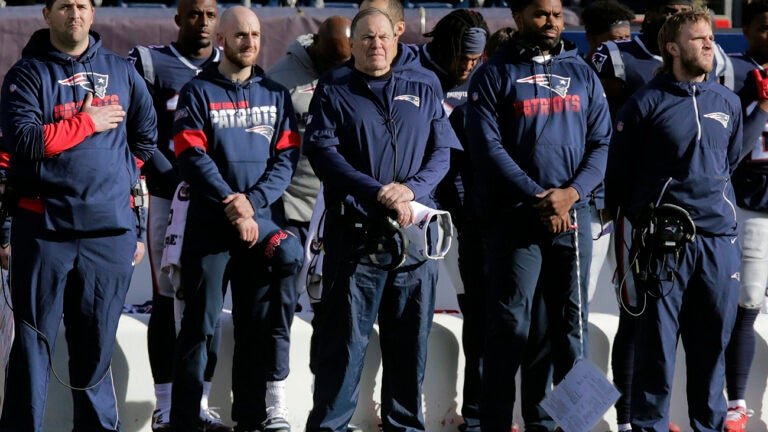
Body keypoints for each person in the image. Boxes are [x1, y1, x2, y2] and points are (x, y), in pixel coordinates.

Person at [0, 0, 157, 428]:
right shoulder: (27, 74)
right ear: (47, 14)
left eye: (83, 5)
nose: (75, 13)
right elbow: (25, 142)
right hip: (44, 231)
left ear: (93, 12)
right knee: (33, 347)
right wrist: (86, 124)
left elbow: (145, 140)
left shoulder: (122, 71)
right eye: (65, 5)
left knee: (96, 349)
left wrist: (116, 186)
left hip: (108, 234)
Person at [303, 8, 460, 431]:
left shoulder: (424, 83)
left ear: (397, 39)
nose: (376, 44)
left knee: (410, 351)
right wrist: (377, 192)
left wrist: (409, 190)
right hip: (355, 242)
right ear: (352, 44)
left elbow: (442, 152)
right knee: (343, 351)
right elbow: (325, 155)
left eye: (383, 37)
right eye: (367, 38)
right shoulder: (333, 87)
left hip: (413, 240)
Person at [465, 0, 612, 429]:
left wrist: (571, 194)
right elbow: (487, 148)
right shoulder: (493, 73)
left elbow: (602, 142)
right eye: (540, 13)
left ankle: (568, 424)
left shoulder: (583, 73)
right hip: (514, 218)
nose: (551, 22)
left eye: (557, 14)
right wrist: (539, 197)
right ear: (518, 18)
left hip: (573, 217)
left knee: (571, 329)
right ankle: (493, 423)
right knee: (510, 325)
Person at [606, 10, 743, 431]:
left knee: (712, 349)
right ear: (672, 48)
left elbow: (729, 162)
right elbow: (620, 178)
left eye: (710, 37)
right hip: (663, 245)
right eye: (698, 38)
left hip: (719, 241)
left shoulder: (728, 101)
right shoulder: (644, 103)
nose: (709, 44)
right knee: (656, 351)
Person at [170, 6, 303, 432]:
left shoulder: (276, 94)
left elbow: (286, 159)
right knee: (199, 327)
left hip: (259, 227)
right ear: (221, 40)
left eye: (255, 35)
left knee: (254, 326)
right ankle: (186, 419)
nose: (249, 42)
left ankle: (249, 419)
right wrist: (232, 201)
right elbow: (191, 154)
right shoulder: (197, 91)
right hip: (210, 227)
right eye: (241, 35)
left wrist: (252, 203)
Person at [126, 0, 230, 430]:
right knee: (167, 297)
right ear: (178, 18)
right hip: (169, 195)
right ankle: (166, 404)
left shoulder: (230, 64)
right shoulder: (151, 63)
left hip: (216, 200)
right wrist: (178, 180)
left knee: (208, 302)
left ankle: (198, 403)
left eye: (209, 14)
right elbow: (140, 131)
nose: (202, 22)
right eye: (193, 14)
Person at [721, 1, 768, 430]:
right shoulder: (732, 71)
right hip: (752, 202)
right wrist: (759, 104)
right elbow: (728, 151)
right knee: (748, 299)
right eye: (765, 27)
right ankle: (736, 402)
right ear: (747, 30)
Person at [265, 15, 352, 246]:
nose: (335, 69)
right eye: (331, 61)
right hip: (295, 207)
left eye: (342, 62)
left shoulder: (355, 74)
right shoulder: (277, 82)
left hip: (342, 207)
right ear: (315, 41)